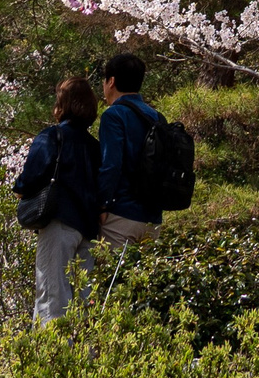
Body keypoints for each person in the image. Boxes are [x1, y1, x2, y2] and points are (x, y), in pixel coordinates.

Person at [15, 76, 101, 322]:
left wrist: (20, 189)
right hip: (90, 229)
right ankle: (84, 347)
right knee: (84, 299)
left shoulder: (53, 136)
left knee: (52, 296)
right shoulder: (95, 146)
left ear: (62, 104)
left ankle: (52, 346)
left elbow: (31, 175)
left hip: (60, 222)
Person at [96, 51, 164, 247]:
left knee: (112, 268)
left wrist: (102, 205)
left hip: (121, 215)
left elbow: (111, 164)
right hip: (153, 218)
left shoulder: (114, 115)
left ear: (111, 81)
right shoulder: (157, 117)